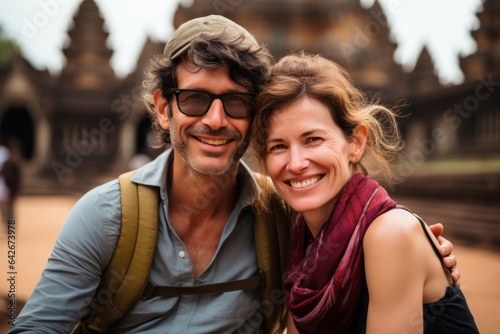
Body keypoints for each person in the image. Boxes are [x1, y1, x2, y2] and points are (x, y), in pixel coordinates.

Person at [10, 16, 458, 334]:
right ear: (163, 109)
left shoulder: (283, 216)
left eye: (237, 103)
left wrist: (424, 253)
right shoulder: (105, 216)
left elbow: (367, 234)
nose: (217, 120)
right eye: (195, 100)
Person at [251, 52, 478, 333]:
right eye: (278, 146)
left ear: (356, 142)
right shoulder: (303, 239)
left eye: (313, 139)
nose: (296, 163)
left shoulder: (389, 234)